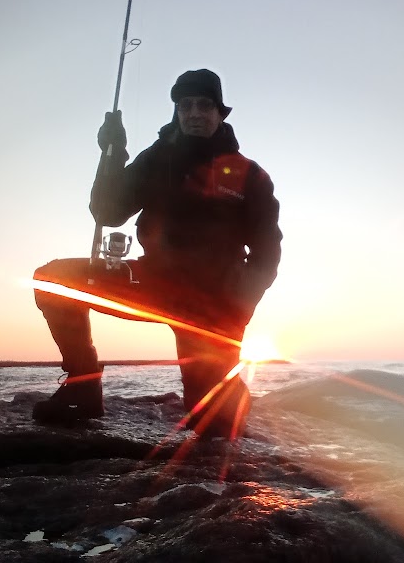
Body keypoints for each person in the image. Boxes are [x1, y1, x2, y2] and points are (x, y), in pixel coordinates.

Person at [31, 69, 282, 439]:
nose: (194, 113)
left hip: (212, 305)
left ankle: (228, 391)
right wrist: (112, 154)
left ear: (220, 112)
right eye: (185, 105)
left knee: (212, 425)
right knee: (53, 279)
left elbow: (267, 254)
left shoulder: (250, 176)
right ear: (177, 111)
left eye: (204, 105)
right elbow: (107, 211)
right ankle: (83, 386)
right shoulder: (157, 159)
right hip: (152, 283)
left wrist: (238, 307)